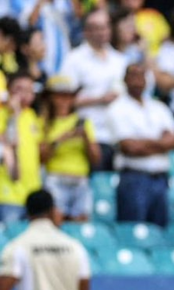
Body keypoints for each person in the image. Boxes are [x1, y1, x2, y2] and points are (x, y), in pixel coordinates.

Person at [109, 62, 174, 228]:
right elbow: (130, 148)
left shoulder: (158, 107)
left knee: (159, 235)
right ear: (125, 80)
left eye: (141, 75)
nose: (137, 81)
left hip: (160, 178)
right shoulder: (117, 108)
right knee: (132, 232)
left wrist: (143, 142)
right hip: (133, 177)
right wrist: (161, 143)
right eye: (133, 75)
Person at [0, 189, 90, 290]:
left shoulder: (18, 247)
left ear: (28, 213)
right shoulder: (75, 247)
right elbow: (84, 286)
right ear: (53, 211)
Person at [62, 10, 126, 170]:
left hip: (118, 135)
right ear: (86, 31)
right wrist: (99, 99)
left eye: (105, 27)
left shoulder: (120, 60)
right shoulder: (74, 60)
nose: (102, 32)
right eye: (97, 28)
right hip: (91, 136)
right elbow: (63, 100)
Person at [39, 74, 99, 223]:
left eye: (69, 96)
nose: (65, 100)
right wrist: (60, 139)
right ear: (50, 98)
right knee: (56, 221)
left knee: (80, 223)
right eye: (60, 96)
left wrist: (85, 138)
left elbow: (96, 159)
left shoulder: (83, 122)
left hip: (80, 179)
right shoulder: (42, 123)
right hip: (55, 178)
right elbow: (41, 158)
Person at [0, 73, 41, 224]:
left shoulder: (32, 116)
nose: (24, 94)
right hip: (8, 194)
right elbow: (10, 142)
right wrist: (14, 114)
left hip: (31, 193)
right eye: (19, 89)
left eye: (29, 90)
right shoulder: (2, 114)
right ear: (8, 90)